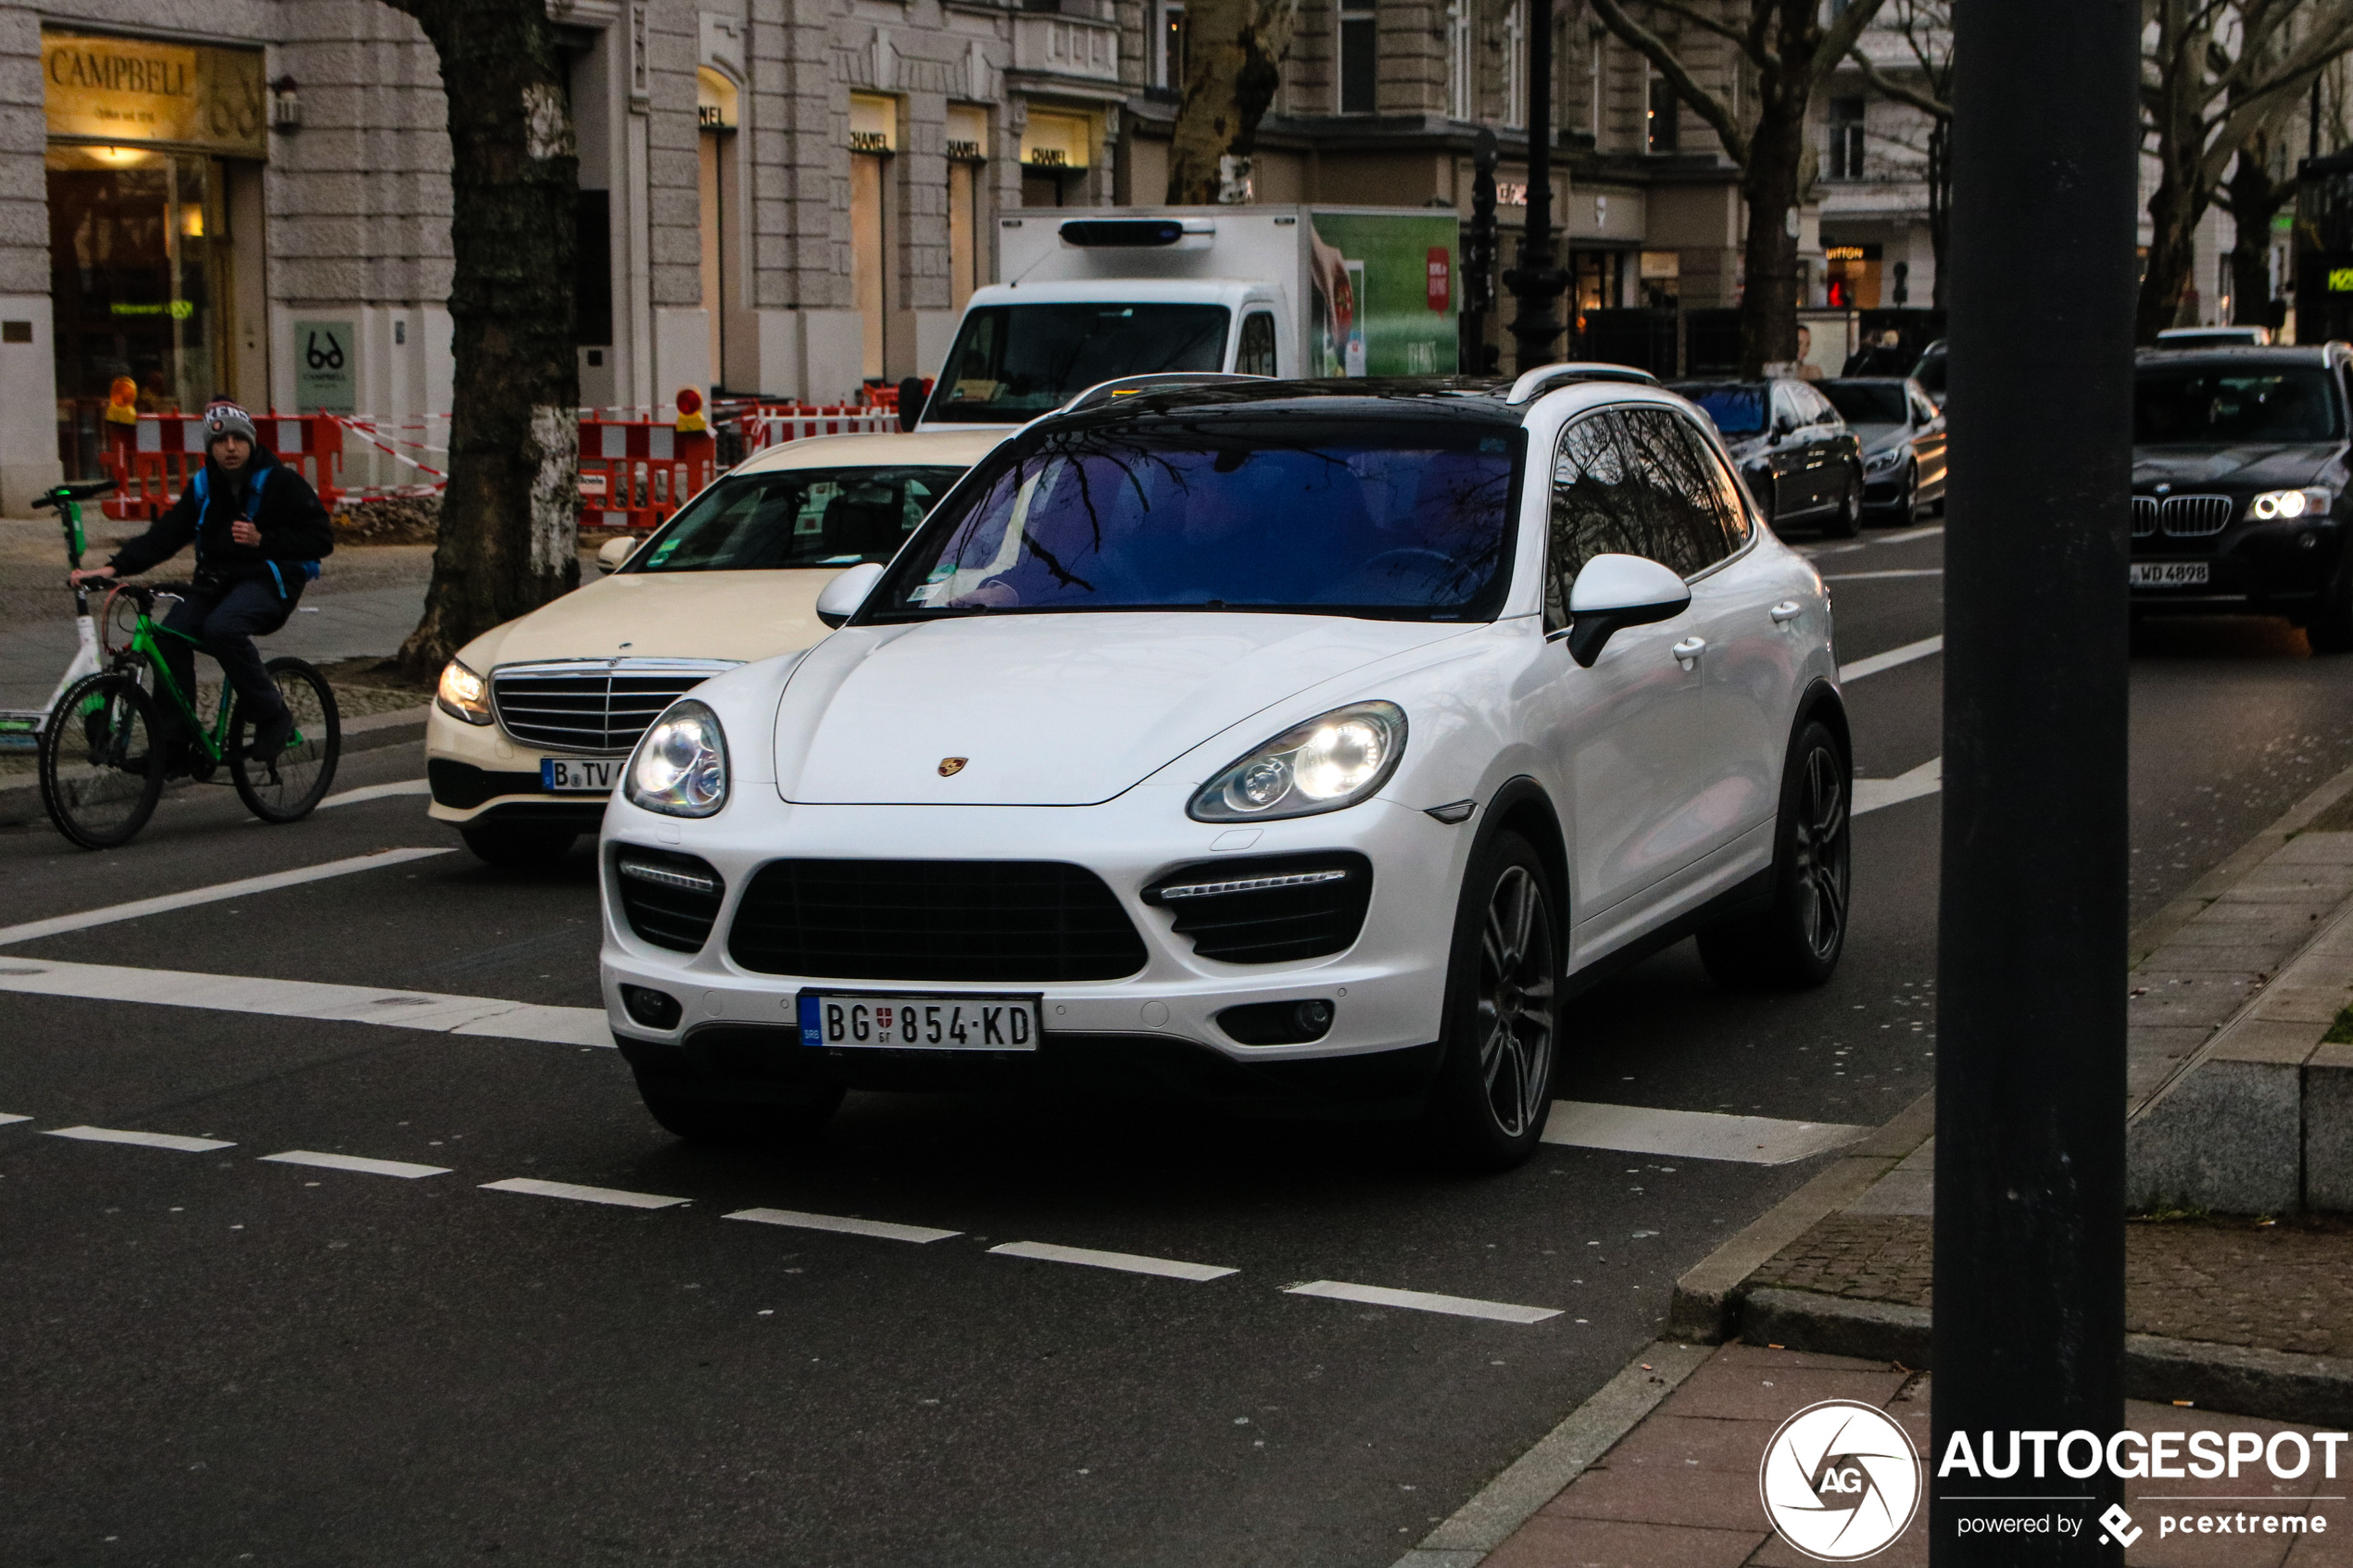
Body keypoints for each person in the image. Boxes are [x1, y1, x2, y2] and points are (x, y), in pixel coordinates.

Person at [69, 402, 333, 767]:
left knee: (222, 629)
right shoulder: (205, 486)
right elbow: (166, 535)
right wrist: (112, 568)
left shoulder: (280, 483)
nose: (230, 447)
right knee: (168, 635)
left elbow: (321, 539)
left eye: (238, 438)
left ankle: (273, 715)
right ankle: (173, 746)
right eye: (220, 439)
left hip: (270, 582)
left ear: (251, 442)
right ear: (209, 447)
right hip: (215, 584)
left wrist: (264, 539)